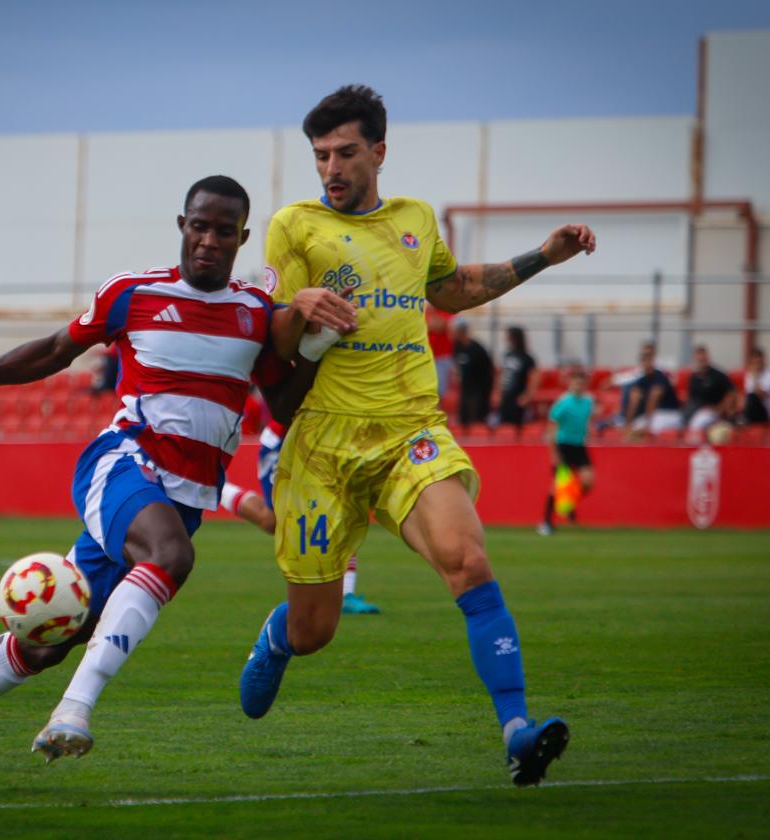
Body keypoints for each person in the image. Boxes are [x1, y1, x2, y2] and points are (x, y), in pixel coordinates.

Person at [0, 176, 356, 794]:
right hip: (122, 462)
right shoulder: (132, 293)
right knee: (172, 555)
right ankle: (74, 711)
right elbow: (51, 351)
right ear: (182, 225)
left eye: (223, 231)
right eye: (199, 226)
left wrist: (318, 344)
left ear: (242, 238)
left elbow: (281, 405)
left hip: (183, 495)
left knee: (47, 640)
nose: (208, 240)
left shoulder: (254, 314)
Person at [238, 84, 595, 787]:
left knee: (468, 560)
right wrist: (295, 306)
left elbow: (454, 287)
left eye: (344, 153)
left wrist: (543, 257)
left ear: (379, 151)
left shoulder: (416, 219)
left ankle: (518, 730)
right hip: (323, 444)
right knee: (316, 631)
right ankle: (279, 637)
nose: (331, 168)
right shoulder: (293, 225)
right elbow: (269, 338)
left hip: (412, 432)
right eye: (320, 156)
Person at [221, 418, 380, 615]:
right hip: (285, 442)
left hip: (326, 440)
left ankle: (346, 595)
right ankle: (218, 487)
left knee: (344, 508)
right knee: (273, 521)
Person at [538, 367, 595, 536]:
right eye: (576, 381)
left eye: (582, 381)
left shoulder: (588, 402)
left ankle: (568, 504)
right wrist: (554, 453)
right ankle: (545, 522)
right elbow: (552, 428)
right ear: (570, 383)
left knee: (588, 481)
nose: (579, 385)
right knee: (557, 487)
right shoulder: (563, 403)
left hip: (578, 445)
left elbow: (585, 422)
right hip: (563, 445)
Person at [623, 342, 681, 436]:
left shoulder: (660, 377)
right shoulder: (642, 380)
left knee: (642, 431)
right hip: (655, 415)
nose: (646, 363)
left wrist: (647, 424)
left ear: (652, 361)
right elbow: (633, 402)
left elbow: (653, 399)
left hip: (669, 414)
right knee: (633, 429)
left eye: (648, 360)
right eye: (644, 360)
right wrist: (627, 424)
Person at [682, 345, 735, 439]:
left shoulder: (718, 376)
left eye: (703, 358)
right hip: (696, 411)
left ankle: (694, 448)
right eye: (699, 359)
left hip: (713, 412)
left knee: (698, 423)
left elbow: (731, 394)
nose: (701, 361)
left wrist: (719, 408)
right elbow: (691, 399)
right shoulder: (693, 378)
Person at [451, 318, 494, 430]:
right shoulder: (457, 347)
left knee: (477, 420)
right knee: (464, 419)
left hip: (479, 389)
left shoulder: (477, 349)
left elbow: (489, 369)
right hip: (465, 388)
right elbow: (457, 364)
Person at [497, 326, 538, 428]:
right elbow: (501, 374)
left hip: (518, 397)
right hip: (506, 396)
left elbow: (535, 378)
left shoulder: (526, 357)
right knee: (504, 425)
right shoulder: (507, 355)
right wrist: (498, 392)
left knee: (516, 425)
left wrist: (527, 395)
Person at [739, 346, 770, 424]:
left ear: (763, 359)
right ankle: (740, 419)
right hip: (753, 411)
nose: (756, 362)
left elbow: (761, 395)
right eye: (754, 360)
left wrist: (755, 377)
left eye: (758, 359)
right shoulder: (750, 375)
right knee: (743, 398)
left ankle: (742, 419)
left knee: (752, 397)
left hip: (767, 414)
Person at [426, 304, 454, 399]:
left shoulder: (446, 309)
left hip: (442, 357)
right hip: (427, 357)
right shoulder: (426, 311)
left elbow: (439, 326)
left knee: (439, 390)